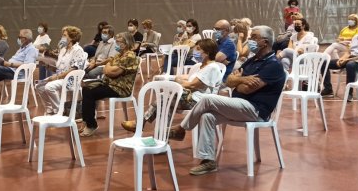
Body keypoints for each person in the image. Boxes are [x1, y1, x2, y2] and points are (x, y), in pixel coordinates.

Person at [173, 26, 286, 176]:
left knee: (207, 99)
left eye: (254, 37)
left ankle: (181, 129)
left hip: (255, 110)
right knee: (207, 116)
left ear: (264, 42)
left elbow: (248, 89)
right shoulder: (252, 61)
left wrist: (238, 83)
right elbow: (229, 81)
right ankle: (208, 161)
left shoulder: (273, 64)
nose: (250, 40)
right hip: (239, 106)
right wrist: (242, 80)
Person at [122, 38, 223, 132]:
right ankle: (162, 136)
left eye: (198, 49)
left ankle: (141, 125)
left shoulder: (212, 67)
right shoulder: (200, 66)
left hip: (199, 101)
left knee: (165, 97)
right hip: (189, 97)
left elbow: (192, 85)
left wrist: (177, 82)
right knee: (165, 101)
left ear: (207, 52)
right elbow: (186, 77)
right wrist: (176, 79)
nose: (194, 52)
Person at [79, 32, 140, 137]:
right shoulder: (120, 54)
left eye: (119, 42)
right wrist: (103, 65)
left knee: (90, 92)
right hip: (110, 84)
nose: (117, 44)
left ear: (126, 43)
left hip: (120, 88)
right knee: (86, 88)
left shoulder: (129, 55)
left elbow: (110, 72)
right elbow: (109, 63)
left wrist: (107, 66)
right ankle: (87, 121)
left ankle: (91, 125)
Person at [320, 17, 358, 97]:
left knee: (350, 65)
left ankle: (349, 93)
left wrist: (347, 60)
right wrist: (342, 59)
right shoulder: (356, 37)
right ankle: (328, 89)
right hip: (351, 58)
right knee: (324, 63)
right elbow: (349, 51)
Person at [36, 26, 87, 115]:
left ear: (72, 38)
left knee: (49, 87)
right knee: (39, 86)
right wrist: (48, 66)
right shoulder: (63, 50)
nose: (62, 38)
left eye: (64, 35)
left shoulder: (78, 50)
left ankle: (58, 111)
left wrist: (56, 77)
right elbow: (59, 68)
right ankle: (50, 109)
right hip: (60, 77)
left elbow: (74, 69)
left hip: (71, 80)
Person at [0, 29, 39, 108]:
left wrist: (9, 64)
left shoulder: (31, 49)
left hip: (16, 73)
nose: (18, 39)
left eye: (20, 37)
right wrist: (4, 63)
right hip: (9, 69)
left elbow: (27, 65)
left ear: (25, 39)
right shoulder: (22, 48)